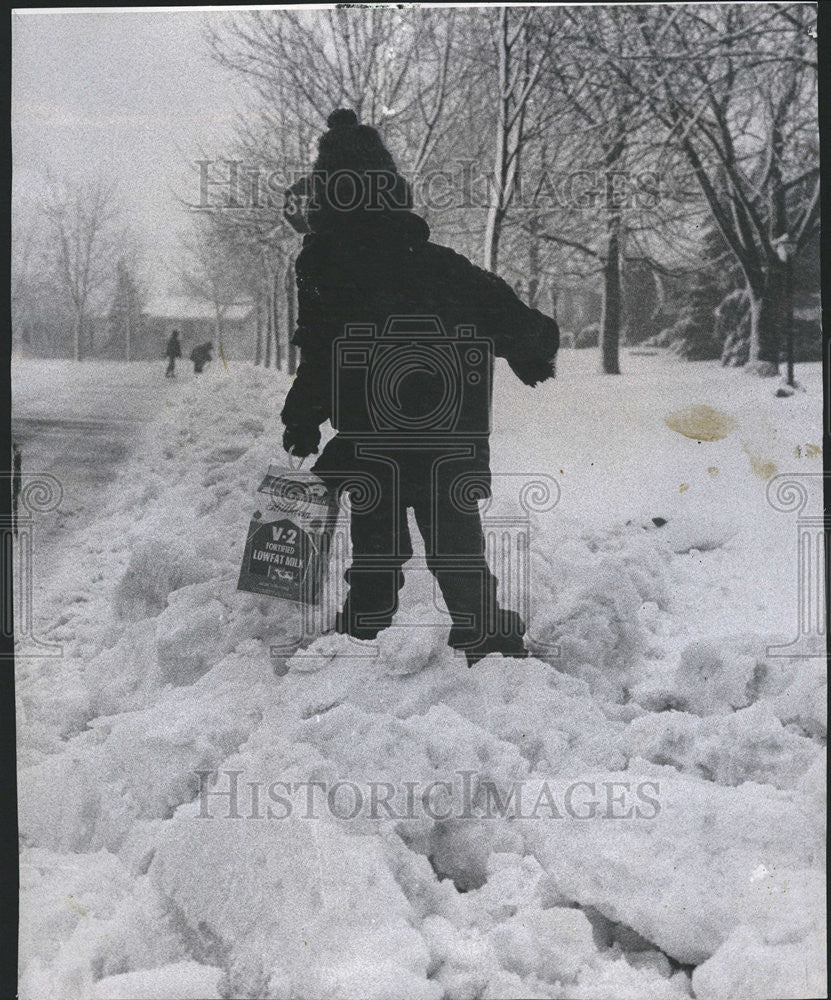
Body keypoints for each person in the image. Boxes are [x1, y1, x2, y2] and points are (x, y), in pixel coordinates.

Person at [281, 109, 559, 666]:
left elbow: (319, 350)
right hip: (447, 435)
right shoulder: (437, 264)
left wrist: (303, 417)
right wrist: (531, 351)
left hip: (370, 436)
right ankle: (486, 636)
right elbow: (516, 320)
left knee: (376, 543)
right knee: (456, 542)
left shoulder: (323, 264)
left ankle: (363, 630)